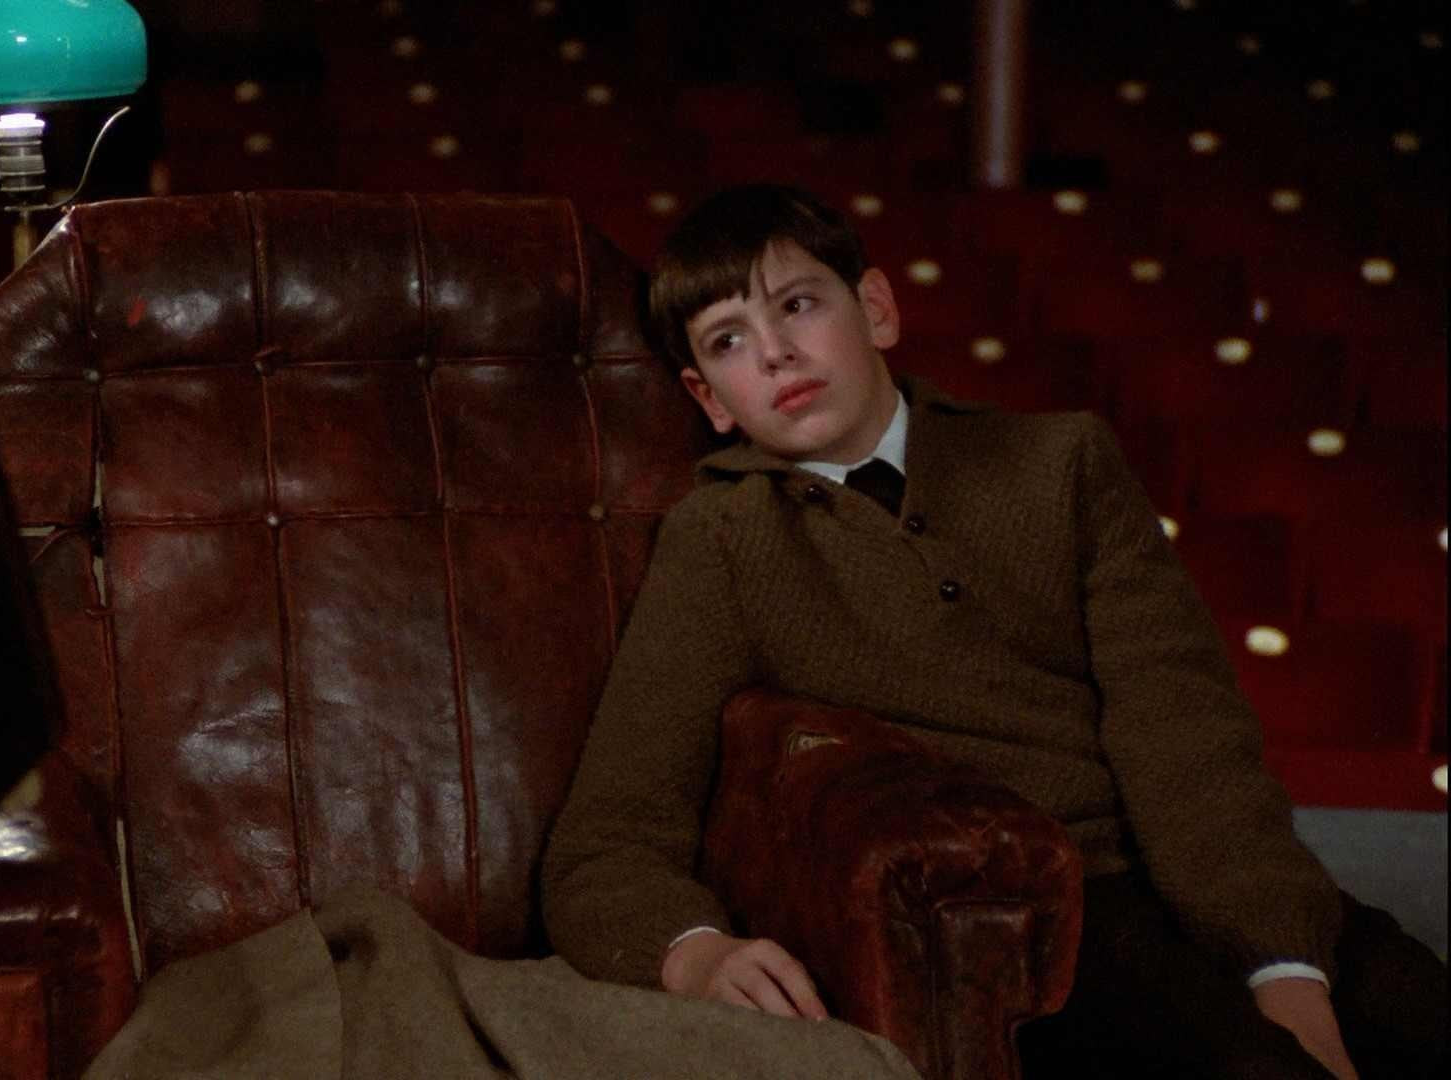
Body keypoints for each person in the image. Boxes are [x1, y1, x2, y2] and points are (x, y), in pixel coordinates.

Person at [540, 184, 1446, 1079]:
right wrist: (693, 953)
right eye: (729, 340)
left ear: (876, 308)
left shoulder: (1061, 462)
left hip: (1191, 867)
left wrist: (1280, 965)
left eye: (798, 305)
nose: (775, 352)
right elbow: (608, 838)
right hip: (1021, 923)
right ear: (711, 399)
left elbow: (1187, 735)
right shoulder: (721, 541)